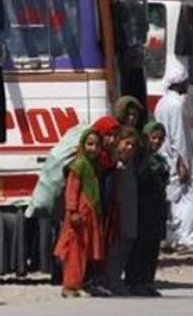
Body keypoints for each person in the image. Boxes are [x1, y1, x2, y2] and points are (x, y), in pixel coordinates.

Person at [154, 60, 193, 249]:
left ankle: (173, 236)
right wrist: (183, 164)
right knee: (188, 197)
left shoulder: (162, 102)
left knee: (173, 198)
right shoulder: (176, 105)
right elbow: (178, 137)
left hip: (166, 156)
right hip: (178, 159)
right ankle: (185, 239)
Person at [54, 129, 105, 297]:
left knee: (85, 252)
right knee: (75, 252)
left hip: (89, 216)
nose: (93, 148)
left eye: (97, 145)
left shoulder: (94, 165)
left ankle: (77, 284)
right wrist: (72, 211)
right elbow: (72, 190)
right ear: (83, 145)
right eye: (90, 144)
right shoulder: (79, 165)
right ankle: (69, 286)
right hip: (79, 216)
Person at [130, 121, 171, 296]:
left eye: (160, 139)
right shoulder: (138, 158)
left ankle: (147, 281)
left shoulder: (160, 160)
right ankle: (136, 281)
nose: (156, 142)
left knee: (152, 247)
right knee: (140, 247)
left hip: (156, 210)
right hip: (142, 209)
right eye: (153, 138)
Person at [102, 127, 140, 294]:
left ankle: (115, 279)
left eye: (133, 145)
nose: (130, 148)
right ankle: (109, 280)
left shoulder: (131, 163)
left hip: (129, 212)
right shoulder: (111, 162)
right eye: (127, 144)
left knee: (125, 246)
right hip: (115, 214)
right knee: (114, 247)